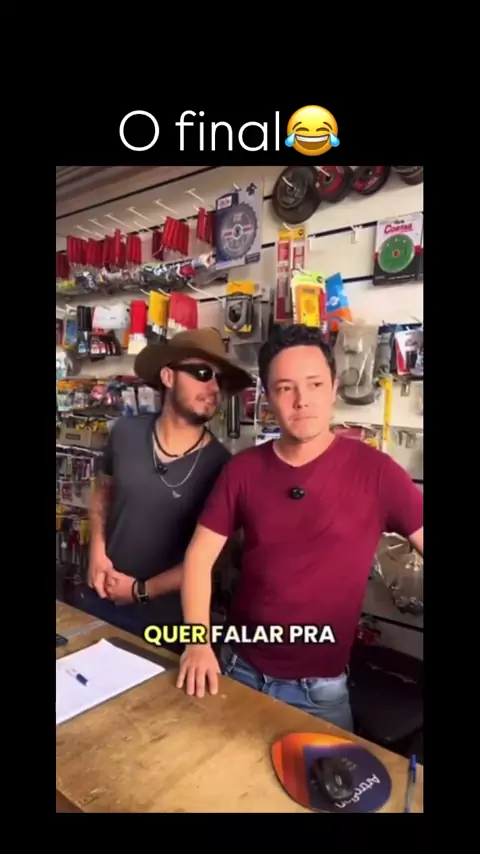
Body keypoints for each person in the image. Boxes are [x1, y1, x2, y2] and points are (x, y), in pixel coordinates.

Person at [176, 324, 423, 730]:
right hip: (237, 670)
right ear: (269, 396)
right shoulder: (242, 470)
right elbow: (200, 557)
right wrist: (197, 643)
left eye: (314, 384)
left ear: (334, 388)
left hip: (319, 693)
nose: (302, 400)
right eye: (285, 388)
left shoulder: (377, 473)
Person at [86, 327, 252, 646]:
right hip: (100, 599)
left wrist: (140, 591)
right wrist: (97, 551)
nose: (213, 387)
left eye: (220, 380)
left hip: (167, 622)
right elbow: (102, 491)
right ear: (168, 376)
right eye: (202, 373)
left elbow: (214, 558)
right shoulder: (125, 432)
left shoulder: (222, 466)